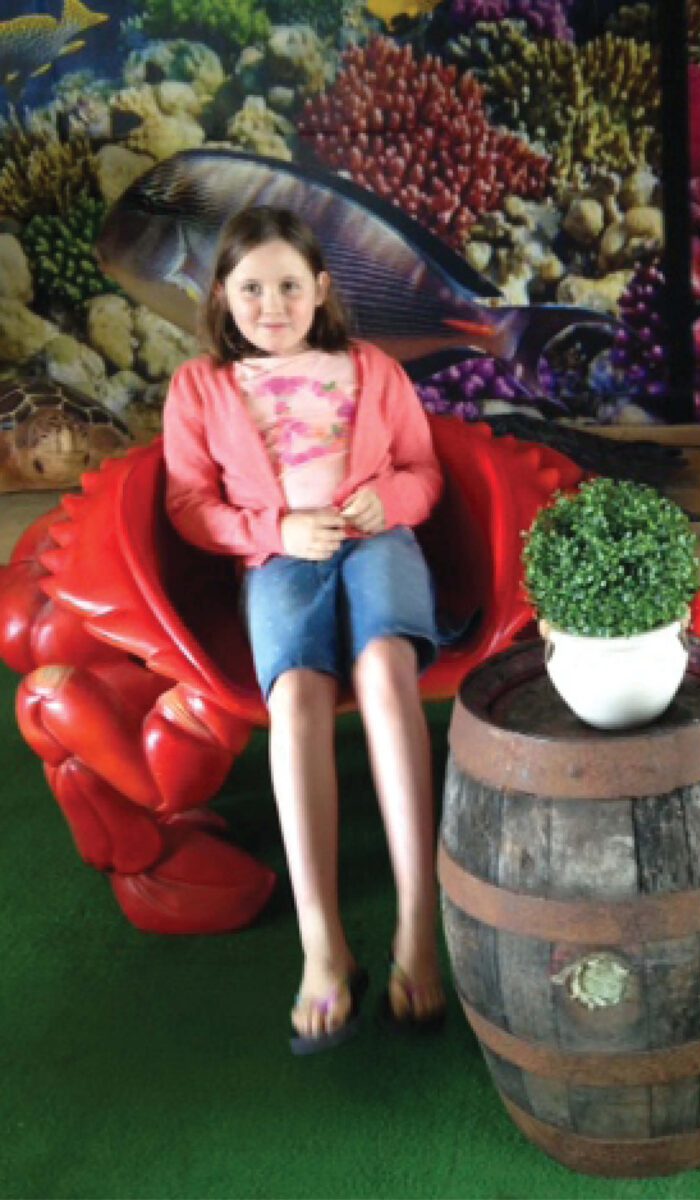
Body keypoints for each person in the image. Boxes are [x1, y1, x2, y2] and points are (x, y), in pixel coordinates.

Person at [163, 206, 448, 1053]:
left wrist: (389, 501)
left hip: (378, 543)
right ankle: (322, 942)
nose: (272, 304)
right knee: (296, 699)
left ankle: (417, 923)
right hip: (278, 556)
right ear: (222, 294)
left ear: (321, 289)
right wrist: (275, 531)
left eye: (290, 285)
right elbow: (189, 505)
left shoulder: (372, 369)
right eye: (252, 288)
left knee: (387, 671)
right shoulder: (199, 387)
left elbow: (424, 471)